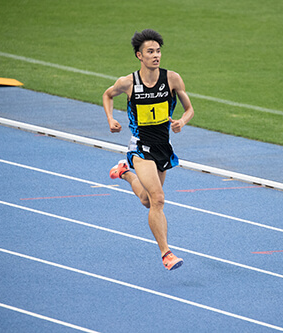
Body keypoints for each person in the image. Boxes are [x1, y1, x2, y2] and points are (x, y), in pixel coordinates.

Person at [102, 29, 194, 271]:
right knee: (159, 199)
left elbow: (189, 109)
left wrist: (181, 122)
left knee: (146, 200)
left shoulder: (172, 79)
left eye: (158, 51)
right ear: (139, 56)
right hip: (140, 147)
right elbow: (107, 94)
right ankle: (166, 253)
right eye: (150, 52)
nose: (156, 56)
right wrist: (110, 119)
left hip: (164, 146)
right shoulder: (128, 82)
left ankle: (124, 173)